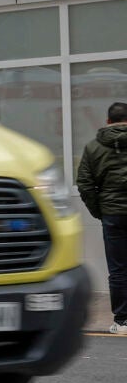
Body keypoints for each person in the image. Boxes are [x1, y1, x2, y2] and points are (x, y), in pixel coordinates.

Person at [77, 101, 127, 334]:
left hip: (113, 215)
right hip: (111, 212)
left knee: (118, 269)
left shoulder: (93, 147)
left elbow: (85, 184)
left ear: (108, 121)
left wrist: (100, 210)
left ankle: (123, 321)